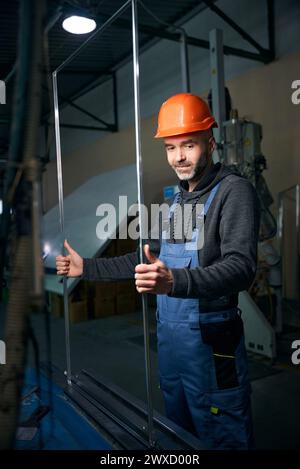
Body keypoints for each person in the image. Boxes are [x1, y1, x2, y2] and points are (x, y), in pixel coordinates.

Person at [56, 93, 260, 449]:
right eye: (170, 147)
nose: (178, 157)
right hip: (174, 349)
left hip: (213, 346)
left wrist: (175, 281)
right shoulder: (178, 203)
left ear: (209, 144)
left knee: (221, 432)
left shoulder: (234, 192)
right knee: (179, 436)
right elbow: (146, 259)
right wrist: (85, 267)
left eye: (188, 145)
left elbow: (241, 268)